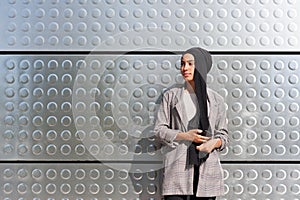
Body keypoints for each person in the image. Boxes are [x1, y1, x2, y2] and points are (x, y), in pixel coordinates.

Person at [154, 47, 228, 200]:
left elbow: (224, 135)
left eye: (190, 64)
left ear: (200, 66)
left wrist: (214, 143)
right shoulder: (171, 96)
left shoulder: (215, 100)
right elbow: (159, 130)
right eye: (182, 63)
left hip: (207, 169)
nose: (184, 68)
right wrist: (184, 136)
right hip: (177, 169)